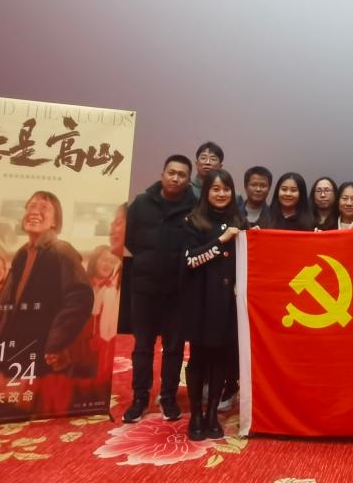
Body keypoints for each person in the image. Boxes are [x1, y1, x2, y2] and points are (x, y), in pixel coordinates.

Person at [0, 192, 94, 387]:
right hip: (7, 353)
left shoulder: (62, 250)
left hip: (38, 354)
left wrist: (56, 342)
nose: (35, 211)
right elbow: (3, 305)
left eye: (44, 208)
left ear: (55, 221)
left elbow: (80, 297)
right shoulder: (21, 256)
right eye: (31, 206)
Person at [123, 155, 197, 423]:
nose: (175, 178)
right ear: (163, 174)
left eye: (182, 175)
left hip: (178, 289)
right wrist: (147, 259)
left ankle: (168, 398)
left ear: (189, 180)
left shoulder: (195, 207)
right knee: (142, 345)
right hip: (144, 286)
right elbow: (128, 237)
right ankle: (139, 398)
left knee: (174, 347)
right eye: (171, 172)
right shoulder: (142, 203)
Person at [182, 170, 244, 440]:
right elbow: (189, 260)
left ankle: (211, 415)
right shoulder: (193, 220)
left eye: (226, 189)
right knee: (198, 358)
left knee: (220, 358)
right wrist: (220, 241)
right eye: (215, 189)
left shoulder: (239, 221)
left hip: (228, 302)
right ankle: (196, 414)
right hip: (201, 301)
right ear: (206, 192)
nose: (221, 194)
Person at [86, 246, 121, 380]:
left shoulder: (111, 290)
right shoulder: (83, 284)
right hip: (81, 339)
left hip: (101, 340)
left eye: (112, 262)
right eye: (104, 260)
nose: (108, 265)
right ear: (95, 260)